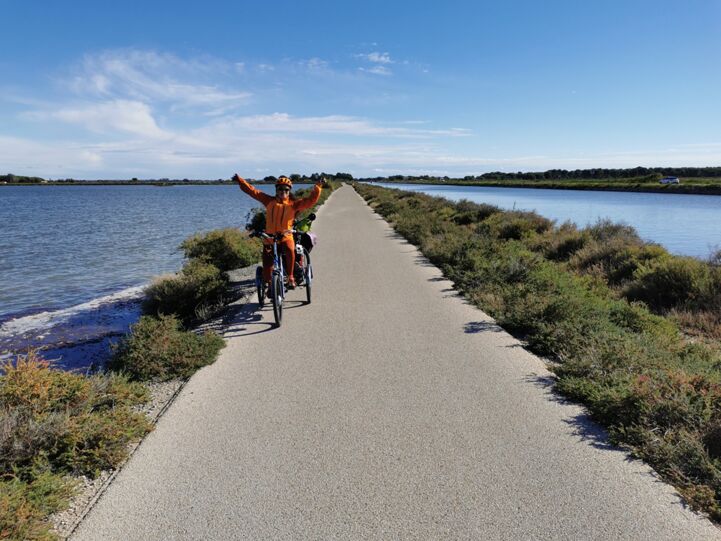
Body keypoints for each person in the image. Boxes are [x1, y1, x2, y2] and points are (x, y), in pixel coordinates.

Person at [233, 174, 322, 288]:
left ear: (289, 191)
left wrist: (318, 186)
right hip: (269, 237)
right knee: (267, 264)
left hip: (286, 235)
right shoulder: (268, 201)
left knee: (290, 250)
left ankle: (290, 277)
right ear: (276, 190)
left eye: (286, 189)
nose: (283, 191)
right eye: (280, 189)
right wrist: (240, 180)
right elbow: (252, 191)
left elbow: (311, 201)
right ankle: (270, 285)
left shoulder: (294, 204)